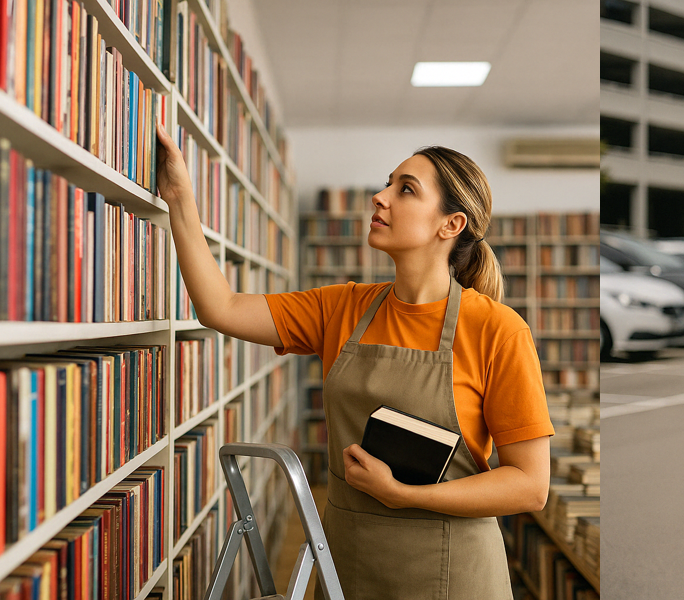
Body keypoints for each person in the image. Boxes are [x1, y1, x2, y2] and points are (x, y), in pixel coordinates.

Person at [154, 123, 553, 600]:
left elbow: (530, 486)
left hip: (453, 573)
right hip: (347, 562)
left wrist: (405, 495)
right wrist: (179, 196)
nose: (379, 197)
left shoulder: (498, 330)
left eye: (405, 190)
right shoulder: (342, 308)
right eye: (388, 183)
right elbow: (221, 308)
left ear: (451, 225)